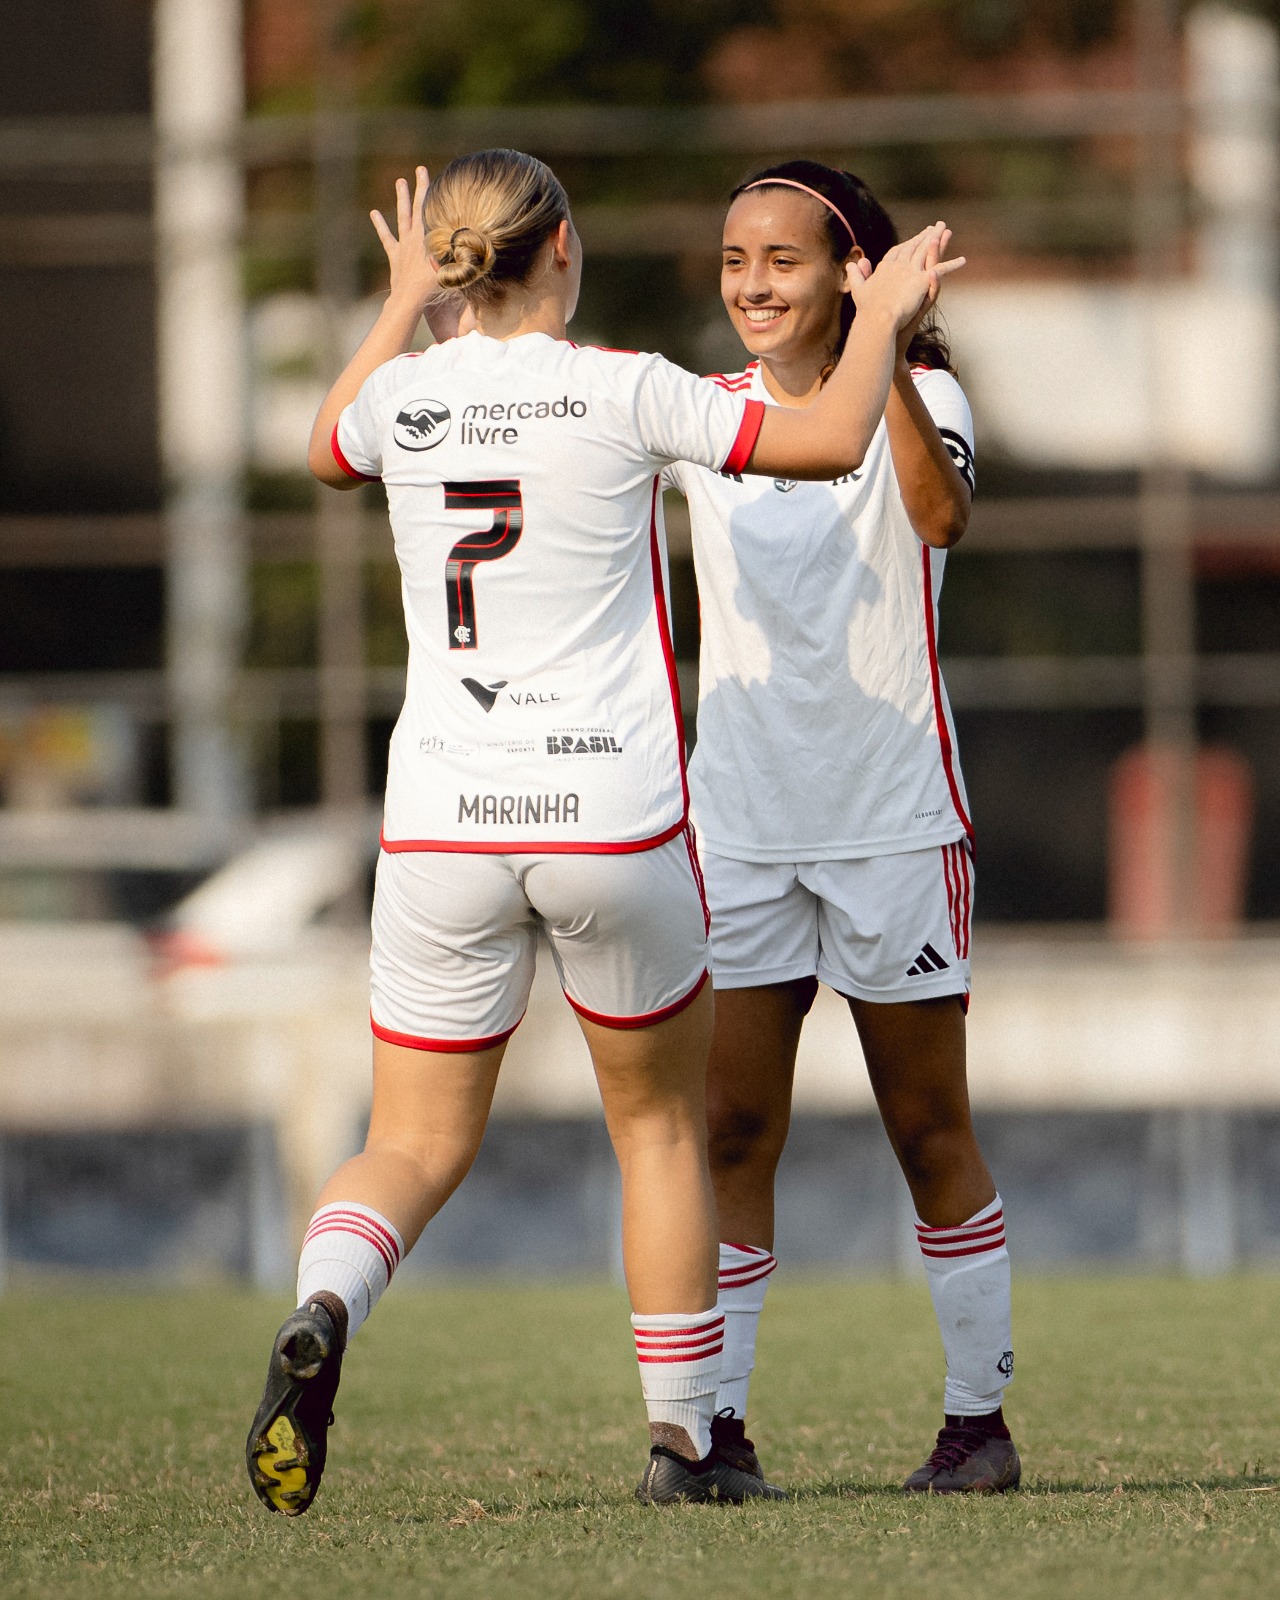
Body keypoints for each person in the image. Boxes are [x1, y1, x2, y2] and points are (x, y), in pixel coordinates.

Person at [242, 149, 963, 1513]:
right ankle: (684, 1444)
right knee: (660, 1135)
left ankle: (328, 1302)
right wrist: (879, 314)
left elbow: (323, 444)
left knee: (412, 1144)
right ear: (563, 246)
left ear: (455, 264)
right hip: (611, 823)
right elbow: (820, 443)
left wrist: (399, 306)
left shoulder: (398, 400)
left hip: (444, 830)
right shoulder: (624, 385)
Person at [663, 159, 1017, 1494]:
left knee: (928, 1127)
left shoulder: (927, 399)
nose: (754, 284)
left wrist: (883, 340)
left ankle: (979, 1425)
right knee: (731, 1134)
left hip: (890, 821)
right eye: (735, 258)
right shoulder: (702, 413)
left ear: (852, 272)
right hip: (742, 828)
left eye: (785, 260)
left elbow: (940, 516)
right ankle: (717, 1430)